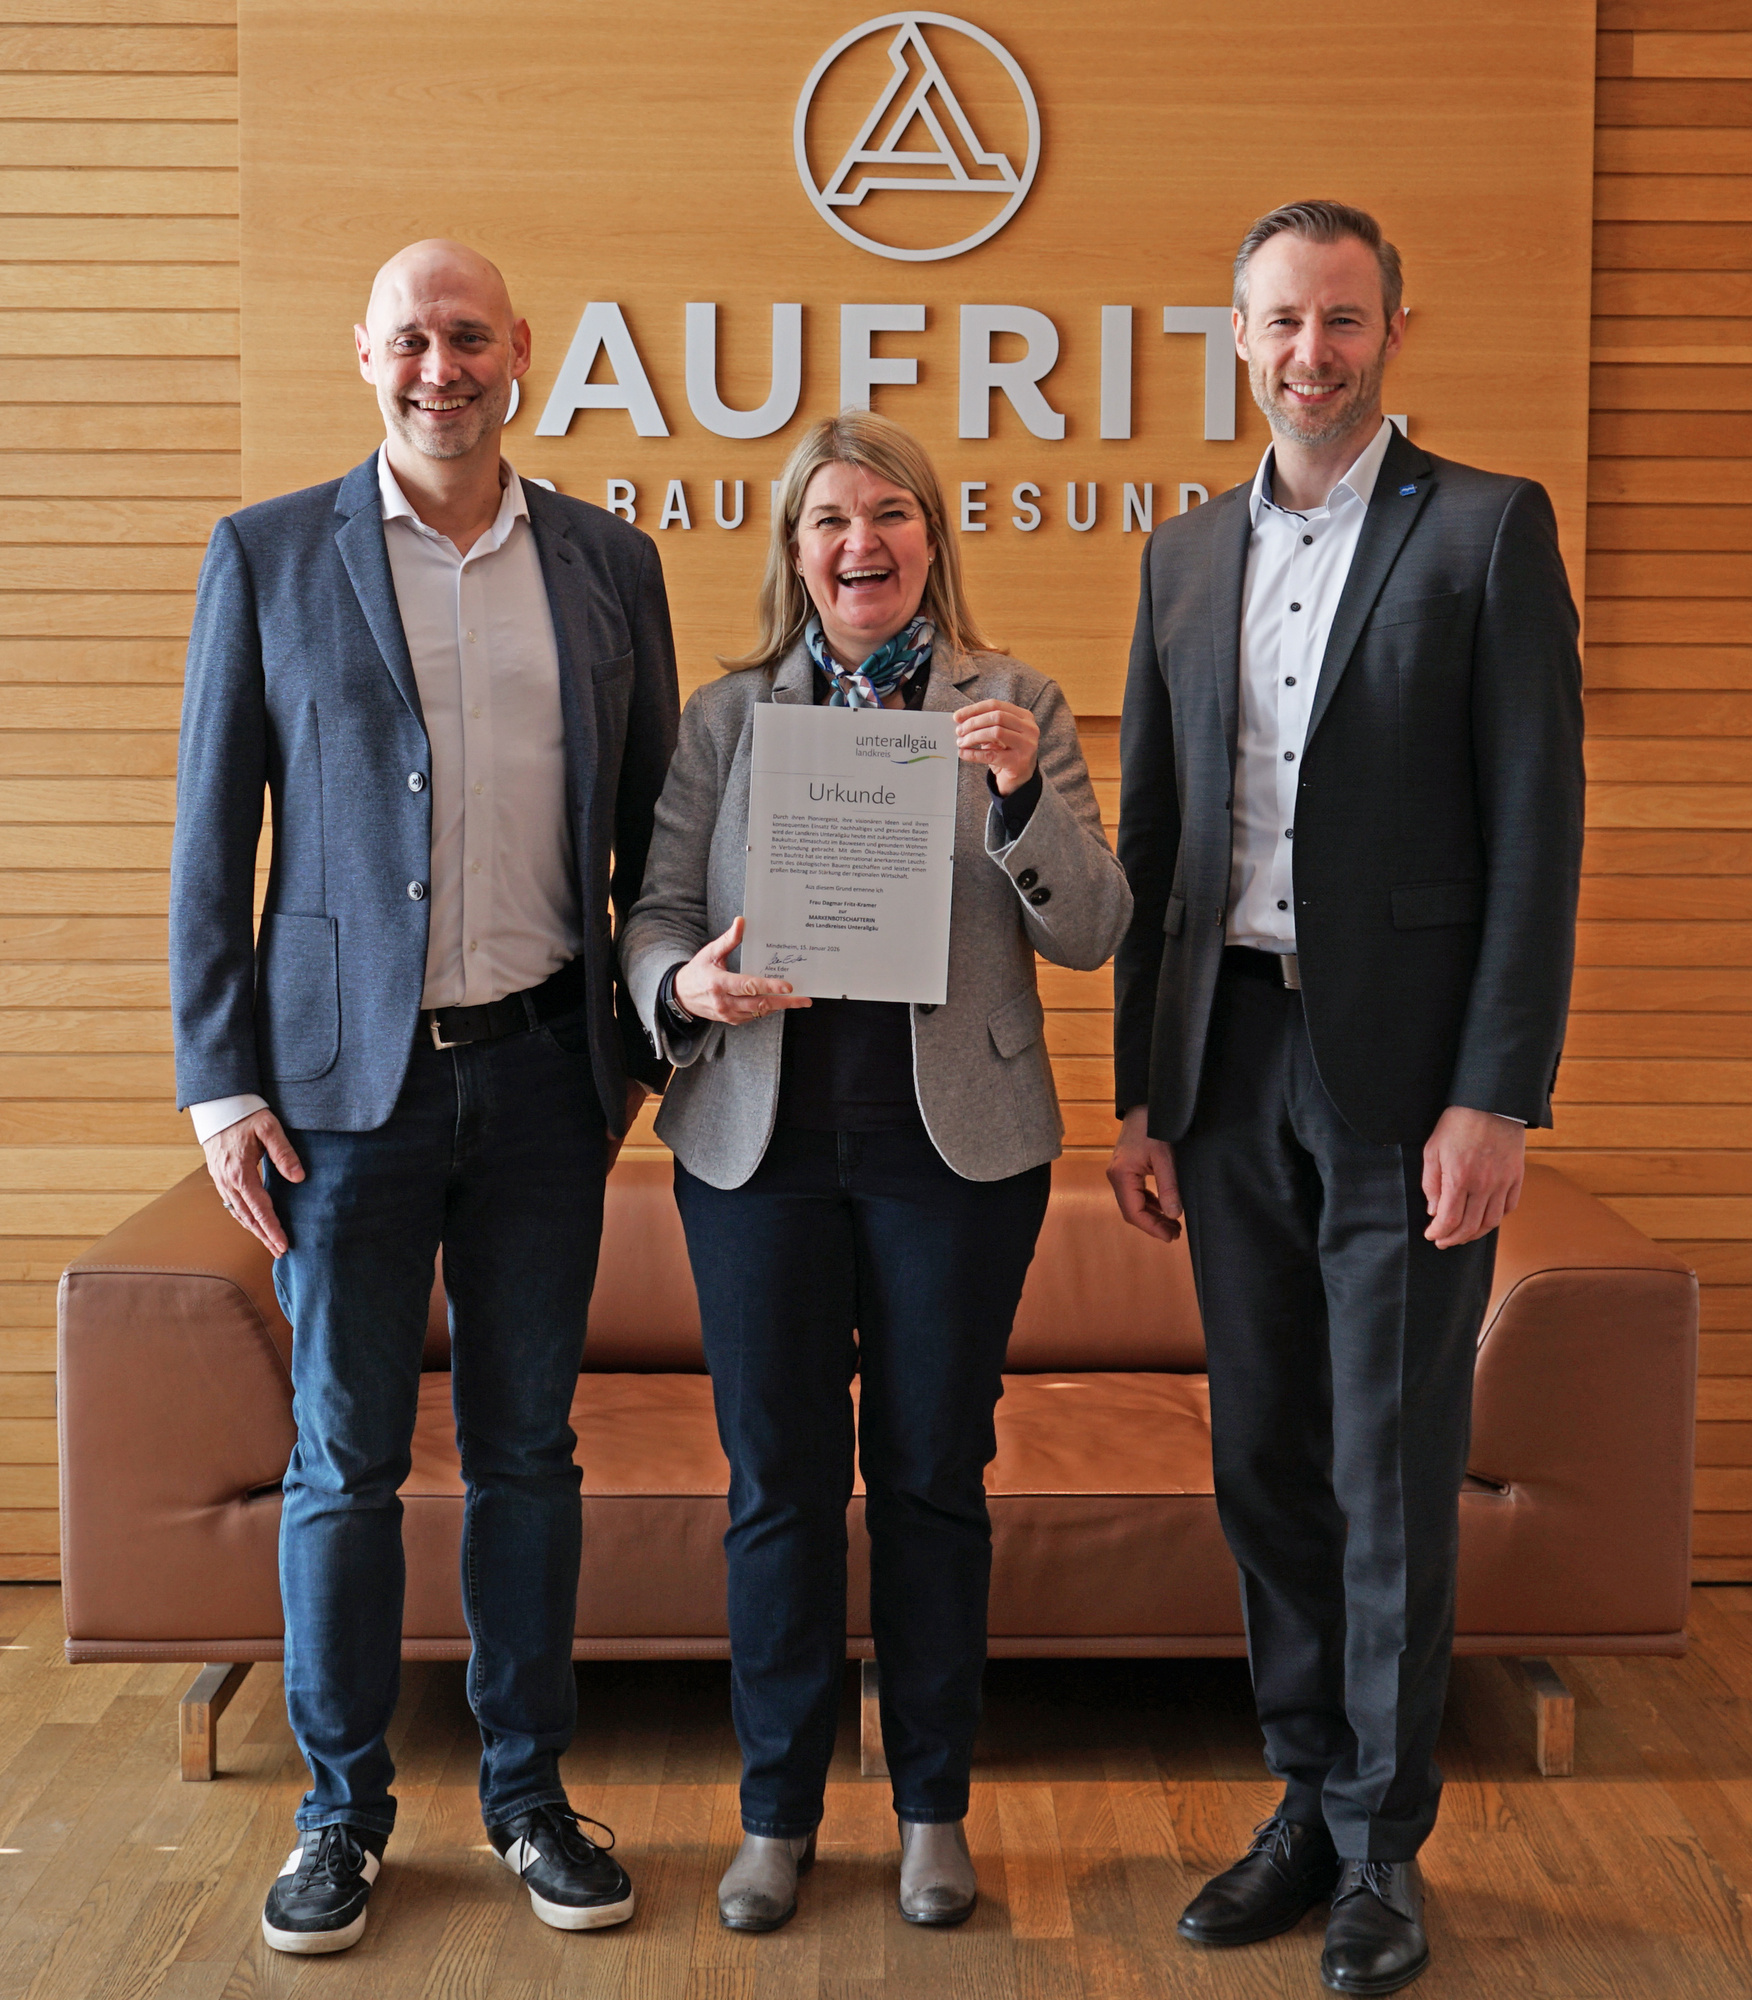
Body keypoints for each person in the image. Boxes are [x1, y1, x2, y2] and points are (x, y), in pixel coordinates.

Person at [169, 239, 678, 1955]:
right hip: (335, 1097)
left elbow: (655, 839)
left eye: (469, 337)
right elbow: (208, 841)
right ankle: (340, 1816)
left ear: (521, 352)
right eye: (411, 339)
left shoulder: (610, 564)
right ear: (364, 355)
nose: (440, 366)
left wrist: (650, 1040)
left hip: (545, 1078)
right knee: (346, 1461)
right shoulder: (264, 557)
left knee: (531, 1452)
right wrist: (218, 1081)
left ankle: (531, 1801)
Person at [1107, 201, 1584, 1996]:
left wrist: (1498, 1095)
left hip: (1403, 1080)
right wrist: (1144, 1099)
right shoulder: (1178, 555)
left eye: (1345, 321)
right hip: (1226, 1063)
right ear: (1234, 335)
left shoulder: (1483, 531)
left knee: (1389, 1466)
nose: (1314, 352)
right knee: (1265, 1461)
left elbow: (1539, 834)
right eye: (1283, 321)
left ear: (1394, 331)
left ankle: (1385, 1846)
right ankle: (1305, 1790)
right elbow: (1157, 851)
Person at [622, 410, 1130, 1933]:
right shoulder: (726, 720)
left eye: (890, 515)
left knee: (929, 1482)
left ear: (931, 540)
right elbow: (648, 915)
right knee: (778, 1489)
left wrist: (1024, 797)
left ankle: (930, 1808)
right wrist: (682, 990)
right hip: (758, 1151)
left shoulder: (1017, 702)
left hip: (953, 1157)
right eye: (830, 520)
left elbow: (1095, 929)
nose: (863, 543)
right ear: (797, 552)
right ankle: (776, 1813)